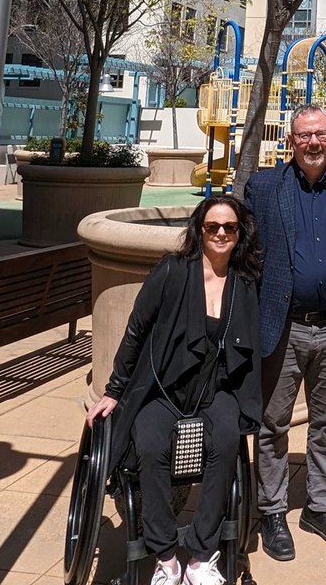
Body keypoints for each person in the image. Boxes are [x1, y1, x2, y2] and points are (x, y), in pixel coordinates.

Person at [85, 196, 262, 585]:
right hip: (164, 388)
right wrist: (114, 391)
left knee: (227, 442)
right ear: (200, 230)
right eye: (212, 227)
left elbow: (246, 351)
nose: (220, 234)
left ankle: (201, 555)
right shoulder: (173, 271)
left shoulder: (244, 283)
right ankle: (165, 555)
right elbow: (135, 331)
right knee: (150, 444)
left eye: (228, 228)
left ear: (239, 234)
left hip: (214, 391)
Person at [244, 103, 326, 560]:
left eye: (320, 134)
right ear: (290, 141)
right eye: (304, 136)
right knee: (272, 423)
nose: (313, 143)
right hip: (282, 326)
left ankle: (321, 507)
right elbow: (242, 252)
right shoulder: (263, 187)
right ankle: (273, 510)